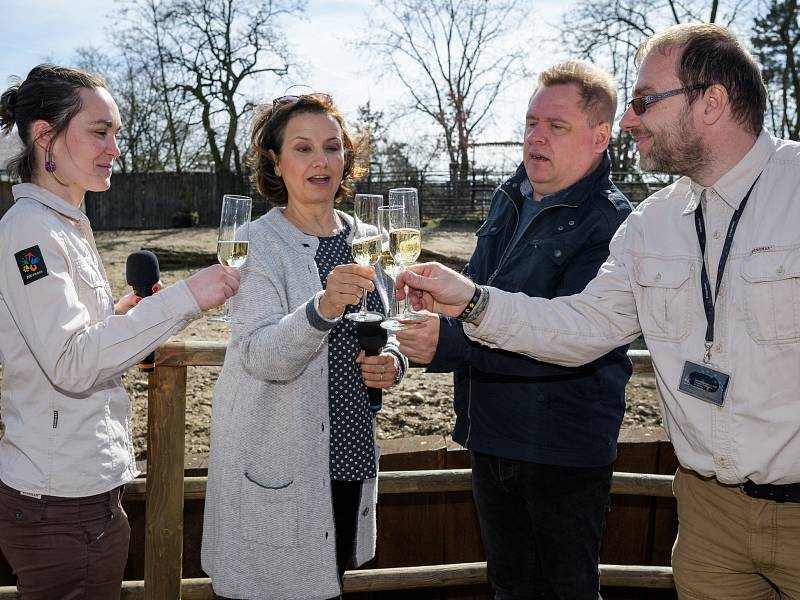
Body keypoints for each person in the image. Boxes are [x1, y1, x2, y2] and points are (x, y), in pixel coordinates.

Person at [396, 23, 800, 599]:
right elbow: (582, 327)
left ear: (712, 101)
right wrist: (474, 301)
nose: (630, 120)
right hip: (711, 519)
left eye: (643, 102)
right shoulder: (651, 224)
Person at [0, 64, 240, 599]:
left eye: (117, 134)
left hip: (80, 497)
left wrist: (123, 316)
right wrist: (189, 297)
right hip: (60, 505)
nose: (115, 148)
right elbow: (71, 360)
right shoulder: (30, 233)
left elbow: (73, 337)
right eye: (100, 131)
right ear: (46, 137)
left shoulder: (64, 223)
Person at [396, 60, 632, 600]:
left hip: (561, 447)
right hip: (490, 434)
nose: (536, 137)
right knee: (508, 589)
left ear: (600, 137)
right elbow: (481, 295)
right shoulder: (510, 198)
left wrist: (448, 342)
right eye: (531, 123)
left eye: (556, 126)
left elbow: (567, 336)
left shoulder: (614, 226)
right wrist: (439, 309)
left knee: (566, 591)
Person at [201, 92, 408, 600]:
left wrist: (394, 363)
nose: (321, 160)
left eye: (332, 147)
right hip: (279, 466)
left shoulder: (369, 239)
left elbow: (390, 325)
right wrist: (322, 309)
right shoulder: (255, 243)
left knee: (329, 583)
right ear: (275, 161)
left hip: (349, 456)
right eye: (303, 148)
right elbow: (261, 356)